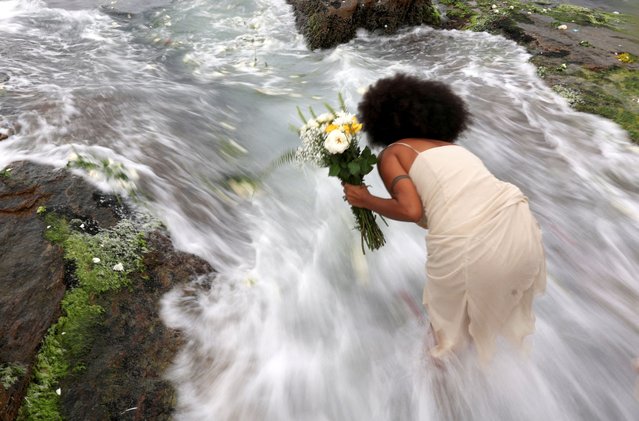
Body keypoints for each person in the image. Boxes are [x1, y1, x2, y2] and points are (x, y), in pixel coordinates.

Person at [343, 73, 546, 364]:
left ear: (382, 120)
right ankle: (475, 393)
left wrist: (365, 199)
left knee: (442, 348)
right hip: (522, 232)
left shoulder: (394, 153)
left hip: (472, 247)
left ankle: (443, 403)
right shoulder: (456, 150)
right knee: (472, 334)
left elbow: (411, 210)